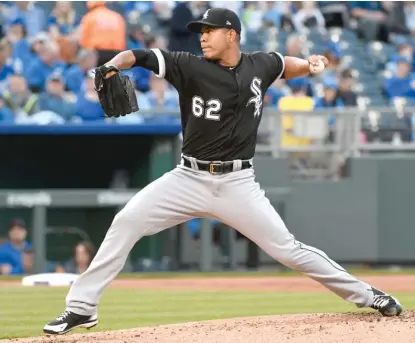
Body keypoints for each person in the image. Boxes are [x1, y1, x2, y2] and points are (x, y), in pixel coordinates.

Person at [43, 8, 402, 336]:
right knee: (126, 222)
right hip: (187, 178)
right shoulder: (189, 65)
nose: (202, 36)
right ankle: (81, 308)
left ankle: (369, 295)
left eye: (209, 30)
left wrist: (308, 65)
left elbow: (282, 64)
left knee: (288, 249)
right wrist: (112, 66)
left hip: (237, 183)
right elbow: (141, 55)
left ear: (231, 34)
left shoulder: (258, 65)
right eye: (201, 31)